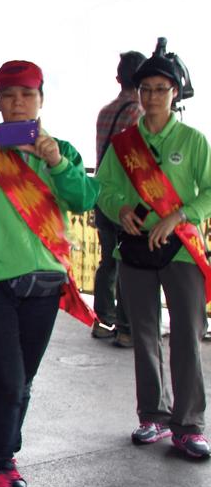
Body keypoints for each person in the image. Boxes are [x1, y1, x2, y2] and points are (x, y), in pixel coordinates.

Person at [0, 61, 100, 487]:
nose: (17, 104)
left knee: (23, 381)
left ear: (40, 100)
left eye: (26, 96)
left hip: (44, 279)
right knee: (7, 380)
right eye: (9, 96)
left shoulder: (62, 150)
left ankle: (7, 455)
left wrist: (55, 162)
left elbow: (84, 200)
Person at [96, 47, 210, 459]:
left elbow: (210, 191)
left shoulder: (192, 140)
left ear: (175, 93)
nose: (153, 97)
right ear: (139, 92)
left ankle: (189, 425)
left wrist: (180, 215)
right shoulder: (125, 142)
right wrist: (119, 209)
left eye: (161, 89)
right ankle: (153, 417)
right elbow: (102, 189)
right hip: (136, 248)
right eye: (146, 89)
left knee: (186, 336)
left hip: (181, 249)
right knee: (143, 335)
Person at [92, 51, 147, 349]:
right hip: (127, 201)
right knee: (128, 260)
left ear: (118, 78)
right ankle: (126, 328)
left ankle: (103, 321)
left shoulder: (106, 111)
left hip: (103, 194)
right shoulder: (138, 114)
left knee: (107, 260)